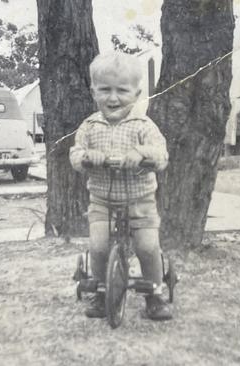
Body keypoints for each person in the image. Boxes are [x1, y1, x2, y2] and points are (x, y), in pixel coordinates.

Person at [69, 52, 172, 321]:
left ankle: (155, 293)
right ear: (93, 91)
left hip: (140, 199)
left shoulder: (144, 125)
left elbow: (161, 156)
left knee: (147, 247)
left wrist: (142, 153)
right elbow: (75, 155)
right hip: (102, 199)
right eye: (104, 90)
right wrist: (88, 157)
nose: (113, 98)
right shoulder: (90, 126)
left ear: (136, 94)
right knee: (99, 245)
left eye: (121, 91)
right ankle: (102, 291)